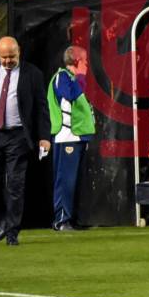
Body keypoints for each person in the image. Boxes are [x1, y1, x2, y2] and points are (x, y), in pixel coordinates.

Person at [0, 37, 52, 245]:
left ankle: (12, 232)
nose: (7, 61)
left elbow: (42, 108)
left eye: (11, 57)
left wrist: (44, 137)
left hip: (19, 136)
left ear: (19, 52)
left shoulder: (33, 74)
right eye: (3, 57)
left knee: (15, 184)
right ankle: (5, 218)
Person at [47, 45, 95, 232]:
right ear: (76, 61)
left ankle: (71, 218)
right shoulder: (63, 77)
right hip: (67, 136)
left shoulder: (72, 79)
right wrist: (81, 77)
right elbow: (71, 97)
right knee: (65, 180)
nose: (87, 65)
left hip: (77, 136)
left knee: (74, 180)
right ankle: (61, 220)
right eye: (84, 61)